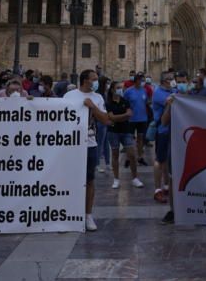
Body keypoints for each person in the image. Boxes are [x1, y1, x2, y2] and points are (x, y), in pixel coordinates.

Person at [62, 69, 112, 231]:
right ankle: (68, 212)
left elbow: (105, 120)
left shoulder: (97, 98)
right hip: (71, 143)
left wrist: (92, 107)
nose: (96, 82)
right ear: (85, 81)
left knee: (89, 180)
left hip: (90, 143)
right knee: (69, 178)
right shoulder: (69, 96)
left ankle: (88, 215)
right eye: (94, 79)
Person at [105, 80, 144, 189]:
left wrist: (119, 117)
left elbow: (129, 114)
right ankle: (116, 179)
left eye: (121, 87)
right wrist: (124, 116)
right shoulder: (108, 103)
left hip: (126, 130)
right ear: (112, 89)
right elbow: (111, 117)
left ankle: (135, 178)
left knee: (132, 154)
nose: (120, 89)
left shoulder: (125, 101)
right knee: (115, 154)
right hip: (113, 132)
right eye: (118, 87)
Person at [151, 70, 177, 204]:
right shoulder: (159, 94)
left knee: (167, 159)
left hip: (174, 130)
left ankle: (167, 185)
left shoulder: (174, 91)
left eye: (173, 78)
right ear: (163, 81)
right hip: (162, 131)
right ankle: (157, 189)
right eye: (169, 79)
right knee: (160, 160)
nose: (172, 80)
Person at [123, 73, 151, 167]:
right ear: (136, 81)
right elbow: (124, 103)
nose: (143, 82)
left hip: (142, 118)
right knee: (129, 139)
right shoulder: (128, 91)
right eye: (141, 80)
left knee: (140, 139)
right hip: (131, 119)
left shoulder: (144, 91)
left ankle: (140, 157)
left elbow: (146, 102)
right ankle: (128, 158)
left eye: (143, 80)